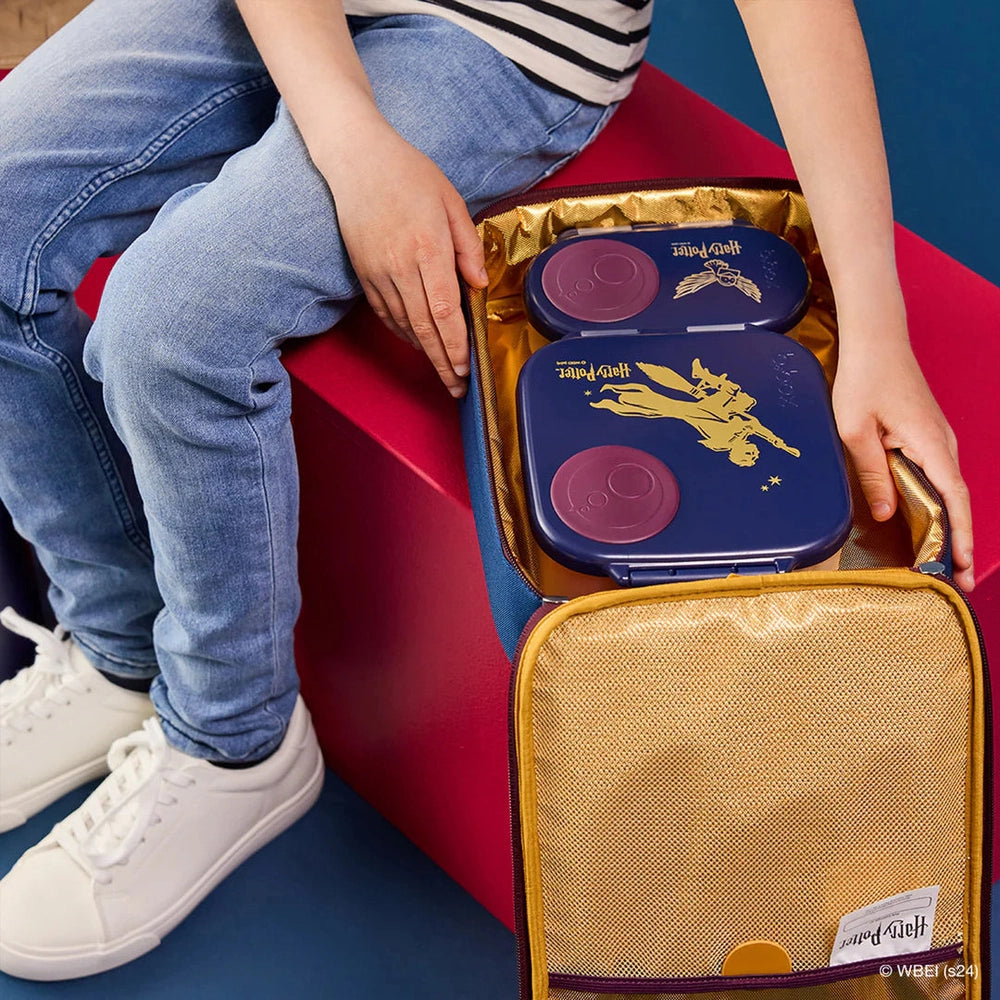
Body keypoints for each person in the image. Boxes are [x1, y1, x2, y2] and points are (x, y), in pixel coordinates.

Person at [0, 0, 974, 981]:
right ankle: (123, 651)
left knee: (169, 324)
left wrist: (876, 334)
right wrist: (349, 139)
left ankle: (234, 740)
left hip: (509, 36)